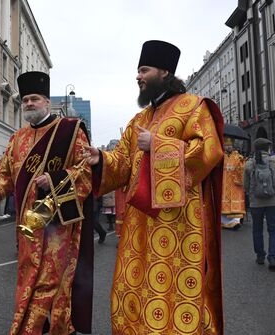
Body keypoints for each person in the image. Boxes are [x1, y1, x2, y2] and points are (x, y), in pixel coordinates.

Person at [85, 40, 224, 334]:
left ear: (164, 72)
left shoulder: (193, 107)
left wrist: (159, 145)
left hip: (178, 224)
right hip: (139, 224)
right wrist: (100, 159)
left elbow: (209, 152)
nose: (138, 77)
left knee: (173, 292)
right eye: (137, 71)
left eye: (143, 70)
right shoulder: (138, 120)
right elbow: (122, 165)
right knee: (133, 287)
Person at [0, 71, 94, 335]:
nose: (29, 104)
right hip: (27, 226)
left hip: (58, 226)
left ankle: (44, 329)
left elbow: (86, 171)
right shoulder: (17, 138)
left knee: (51, 282)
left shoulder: (69, 131)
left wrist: (57, 180)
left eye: (35, 99)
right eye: (26, 101)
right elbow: (3, 175)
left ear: (46, 102)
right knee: (28, 278)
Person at [243, 138, 275, 271]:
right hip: (274, 201)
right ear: (268, 148)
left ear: (255, 148)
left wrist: (250, 194)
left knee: (257, 229)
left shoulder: (249, 164)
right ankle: (273, 258)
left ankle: (260, 256)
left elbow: (245, 185)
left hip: (256, 203)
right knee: (274, 230)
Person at [221, 136, 246, 230]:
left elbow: (243, 169)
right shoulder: (220, 156)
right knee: (223, 205)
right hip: (223, 184)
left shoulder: (237, 156)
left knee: (236, 204)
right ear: (224, 146)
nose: (229, 147)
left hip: (235, 184)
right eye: (227, 145)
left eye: (230, 145)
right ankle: (223, 222)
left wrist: (241, 163)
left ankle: (235, 222)